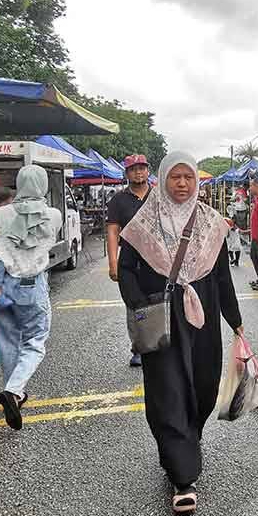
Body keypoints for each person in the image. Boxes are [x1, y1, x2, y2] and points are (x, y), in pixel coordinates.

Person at [118, 152, 242, 514]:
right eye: (176, 177)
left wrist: (235, 320)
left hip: (202, 316)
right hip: (162, 314)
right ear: (163, 178)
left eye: (188, 177)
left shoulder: (210, 222)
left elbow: (221, 276)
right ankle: (182, 476)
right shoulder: (145, 221)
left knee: (203, 386)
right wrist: (140, 305)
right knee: (169, 390)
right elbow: (126, 268)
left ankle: (191, 436)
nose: (183, 183)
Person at [0, 166, 63, 430]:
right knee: (35, 340)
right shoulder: (53, 215)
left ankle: (14, 392)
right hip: (32, 286)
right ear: (42, 185)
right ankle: (14, 389)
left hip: (0, 286)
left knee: (7, 341)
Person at [107, 154, 153, 367]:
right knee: (134, 305)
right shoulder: (118, 199)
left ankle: (157, 341)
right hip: (129, 261)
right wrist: (113, 263)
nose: (138, 172)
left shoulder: (159, 196)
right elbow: (113, 231)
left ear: (148, 170)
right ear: (126, 173)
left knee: (158, 301)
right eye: (133, 169)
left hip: (156, 260)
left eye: (142, 168)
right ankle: (138, 347)